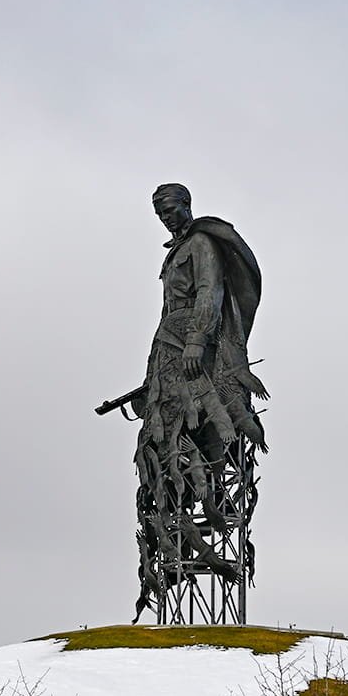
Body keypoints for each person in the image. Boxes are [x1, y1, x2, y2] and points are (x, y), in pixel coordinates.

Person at [130, 183, 266, 621]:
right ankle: (180, 536)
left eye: (170, 209)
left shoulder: (203, 243)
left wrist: (197, 340)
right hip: (168, 353)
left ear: (187, 205)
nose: (167, 217)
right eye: (160, 213)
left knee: (206, 439)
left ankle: (209, 520)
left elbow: (210, 292)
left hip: (197, 353)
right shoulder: (174, 253)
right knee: (165, 451)